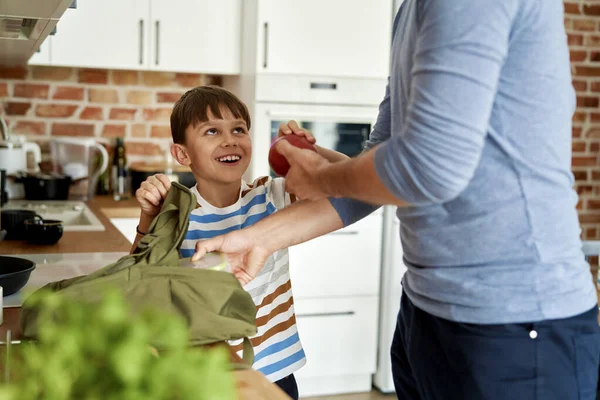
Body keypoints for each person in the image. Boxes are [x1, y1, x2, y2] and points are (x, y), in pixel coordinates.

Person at [191, 1, 600, 399]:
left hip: (513, 320)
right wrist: (259, 239)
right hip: (425, 310)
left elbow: (427, 168)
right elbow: (375, 170)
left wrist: (323, 176)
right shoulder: (410, 10)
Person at [130, 85, 349, 400]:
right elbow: (139, 283)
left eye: (238, 129)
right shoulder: (175, 210)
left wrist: (311, 153)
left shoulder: (272, 195)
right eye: (211, 131)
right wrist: (148, 218)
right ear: (182, 153)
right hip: (205, 370)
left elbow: (346, 185)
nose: (229, 139)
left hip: (276, 370)